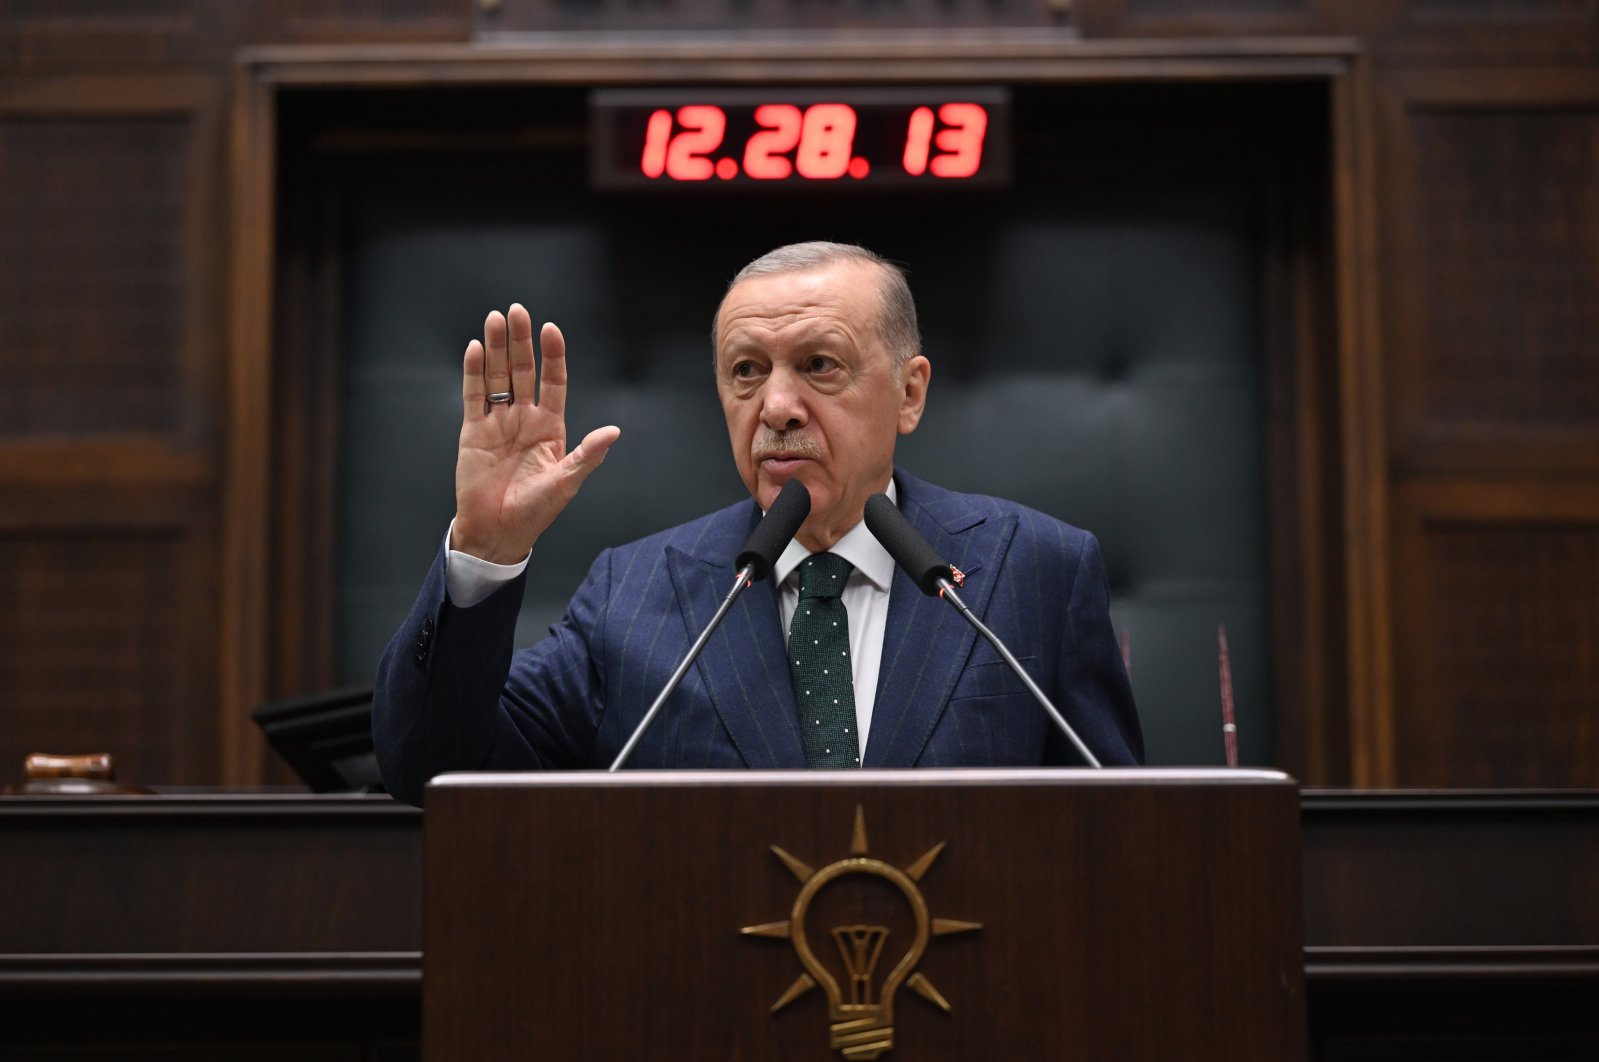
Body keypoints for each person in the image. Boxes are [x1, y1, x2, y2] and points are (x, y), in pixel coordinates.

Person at [374, 242, 1141, 805]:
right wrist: (484, 551)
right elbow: (433, 772)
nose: (775, 407)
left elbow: (1124, 833)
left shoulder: (1034, 570)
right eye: (746, 371)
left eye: (818, 365)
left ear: (909, 393)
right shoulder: (632, 594)